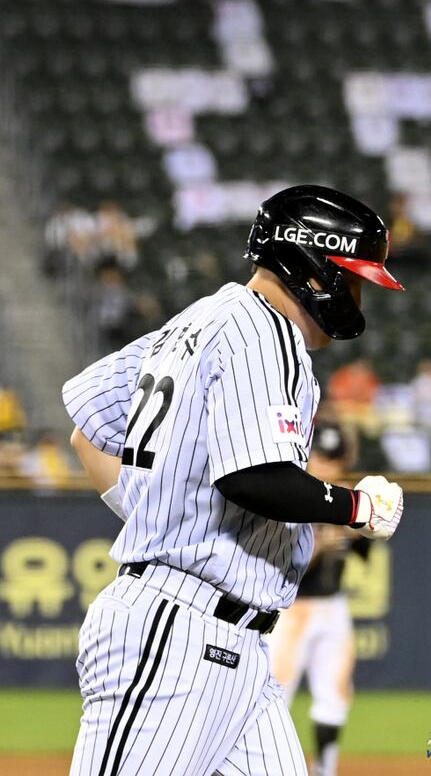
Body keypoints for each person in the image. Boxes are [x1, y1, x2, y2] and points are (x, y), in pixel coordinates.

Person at [62, 184, 405, 776]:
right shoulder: (267, 331)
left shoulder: (194, 322)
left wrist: (161, 514)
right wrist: (356, 508)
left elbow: (87, 433)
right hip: (176, 633)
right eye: (352, 280)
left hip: (238, 649)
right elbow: (254, 478)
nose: (355, 297)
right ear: (314, 269)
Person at [268, 421, 367, 776]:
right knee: (273, 696)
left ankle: (326, 769)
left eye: (334, 460)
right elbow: (283, 563)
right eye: (322, 458)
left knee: (334, 698)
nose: (328, 467)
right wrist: (322, 543)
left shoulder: (344, 501)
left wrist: (363, 528)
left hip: (332, 606)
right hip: (290, 609)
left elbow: (367, 552)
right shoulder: (293, 497)